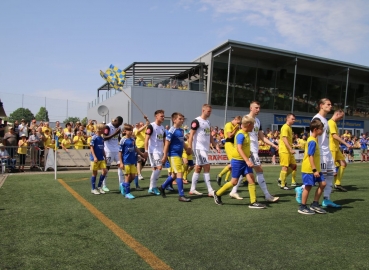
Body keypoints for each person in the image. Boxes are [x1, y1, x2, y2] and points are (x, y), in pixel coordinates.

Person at [213, 115, 266, 208]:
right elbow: (239, 148)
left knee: (251, 179)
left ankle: (253, 202)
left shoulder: (246, 133)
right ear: (249, 124)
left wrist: (248, 156)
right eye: (253, 125)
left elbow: (244, 148)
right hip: (238, 161)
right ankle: (217, 193)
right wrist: (247, 160)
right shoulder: (241, 134)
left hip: (244, 161)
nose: (254, 127)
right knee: (234, 182)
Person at [296, 98, 341, 208]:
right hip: (320, 153)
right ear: (321, 105)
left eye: (331, 104)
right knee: (321, 178)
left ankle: (327, 199)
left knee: (330, 175)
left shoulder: (325, 120)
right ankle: (301, 189)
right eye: (328, 104)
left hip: (327, 151)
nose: (330, 106)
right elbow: (313, 138)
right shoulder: (317, 119)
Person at [230, 101, 279, 202]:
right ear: (250, 108)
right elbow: (240, 134)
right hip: (250, 150)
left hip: (254, 149)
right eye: (256, 108)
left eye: (259, 108)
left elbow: (261, 137)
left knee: (243, 172)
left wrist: (273, 144)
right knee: (259, 171)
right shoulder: (245, 119)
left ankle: (233, 191)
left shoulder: (257, 121)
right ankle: (267, 195)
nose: (258, 110)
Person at [158, 112, 191, 202]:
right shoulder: (171, 130)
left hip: (178, 155)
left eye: (182, 119)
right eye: (180, 119)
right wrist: (165, 155)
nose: (182, 120)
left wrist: (187, 148)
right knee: (179, 174)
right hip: (173, 155)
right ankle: (181, 195)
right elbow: (166, 144)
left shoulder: (181, 130)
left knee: (174, 175)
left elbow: (182, 142)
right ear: (174, 120)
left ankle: (162, 187)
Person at [188, 104, 219, 197]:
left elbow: (209, 136)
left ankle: (192, 189)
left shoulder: (208, 122)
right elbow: (191, 135)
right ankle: (210, 190)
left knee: (198, 168)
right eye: (208, 111)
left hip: (205, 149)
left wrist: (215, 145)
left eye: (210, 111)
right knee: (207, 166)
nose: (210, 113)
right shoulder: (196, 121)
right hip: (198, 148)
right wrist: (189, 146)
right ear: (203, 110)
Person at [297, 118, 327, 215]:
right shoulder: (312, 141)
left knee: (323, 184)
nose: (322, 131)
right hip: (310, 169)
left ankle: (315, 204)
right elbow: (310, 156)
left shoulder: (314, 139)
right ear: (315, 130)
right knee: (308, 187)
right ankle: (302, 206)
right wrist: (314, 169)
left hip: (316, 168)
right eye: (321, 129)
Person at [119, 124, 147, 199]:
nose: (131, 132)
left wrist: (141, 154)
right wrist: (121, 162)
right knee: (127, 176)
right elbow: (120, 152)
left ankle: (123, 185)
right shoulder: (123, 140)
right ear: (125, 131)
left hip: (132, 161)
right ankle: (127, 193)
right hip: (126, 161)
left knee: (133, 176)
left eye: (131, 130)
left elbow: (135, 148)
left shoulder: (132, 140)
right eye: (129, 130)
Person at [328, 109, 352, 192]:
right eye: (341, 117)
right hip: (331, 148)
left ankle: (337, 184)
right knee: (331, 169)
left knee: (343, 164)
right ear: (337, 114)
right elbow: (334, 136)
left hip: (336, 148)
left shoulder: (334, 123)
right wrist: (346, 143)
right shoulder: (330, 122)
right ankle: (327, 186)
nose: (341, 119)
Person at [216, 116, 242, 189]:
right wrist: (235, 129)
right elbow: (229, 136)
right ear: (235, 119)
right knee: (233, 163)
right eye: (238, 122)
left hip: (234, 144)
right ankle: (221, 175)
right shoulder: (228, 125)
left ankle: (224, 177)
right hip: (229, 144)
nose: (238, 124)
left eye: (239, 123)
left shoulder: (236, 126)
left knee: (234, 164)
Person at [144, 110, 166, 196]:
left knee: (155, 169)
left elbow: (164, 141)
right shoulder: (151, 126)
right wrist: (146, 151)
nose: (163, 118)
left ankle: (151, 188)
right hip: (153, 151)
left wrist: (164, 152)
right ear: (156, 116)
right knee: (159, 168)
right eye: (161, 116)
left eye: (163, 116)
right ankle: (154, 187)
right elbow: (146, 139)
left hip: (160, 151)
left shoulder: (162, 128)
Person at [103, 116, 124, 192]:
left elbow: (118, 137)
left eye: (120, 124)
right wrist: (115, 133)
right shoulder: (107, 127)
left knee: (121, 166)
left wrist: (122, 141)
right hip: (108, 150)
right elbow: (104, 137)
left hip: (117, 149)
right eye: (118, 124)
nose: (119, 126)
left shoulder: (118, 128)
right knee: (107, 167)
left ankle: (121, 185)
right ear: (115, 121)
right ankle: (104, 185)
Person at [278, 113, 298, 189]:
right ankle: (283, 184)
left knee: (294, 166)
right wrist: (290, 148)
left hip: (288, 150)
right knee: (285, 167)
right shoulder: (285, 127)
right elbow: (284, 138)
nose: (294, 120)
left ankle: (281, 179)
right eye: (292, 119)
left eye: (294, 119)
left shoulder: (289, 127)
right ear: (287, 118)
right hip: (284, 150)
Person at [89, 123, 108, 195]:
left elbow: (102, 148)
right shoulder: (94, 138)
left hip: (101, 158)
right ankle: (93, 188)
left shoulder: (102, 138)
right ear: (100, 130)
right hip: (95, 158)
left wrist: (105, 157)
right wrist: (94, 157)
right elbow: (91, 147)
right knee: (95, 173)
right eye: (103, 129)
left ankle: (99, 187)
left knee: (105, 171)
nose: (104, 130)